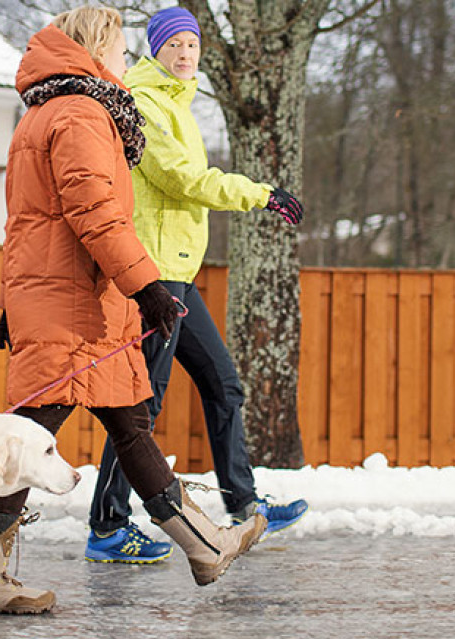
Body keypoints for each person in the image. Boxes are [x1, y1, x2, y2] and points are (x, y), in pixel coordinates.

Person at [0, 6, 267, 615]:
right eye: (123, 49)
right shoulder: (80, 113)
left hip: (67, 300)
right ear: (97, 48)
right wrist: (149, 287)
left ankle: (205, 546)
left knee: (130, 425)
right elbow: (96, 216)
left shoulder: (45, 112)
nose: (127, 61)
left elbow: (23, 226)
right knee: (27, 442)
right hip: (71, 305)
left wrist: (12, 302)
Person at [83, 6, 308, 566]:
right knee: (142, 407)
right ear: (154, 50)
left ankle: (243, 501)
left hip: (180, 272)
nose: (186, 54)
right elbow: (182, 179)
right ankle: (106, 526)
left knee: (224, 386)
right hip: (154, 276)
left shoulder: (180, 103)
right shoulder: (145, 102)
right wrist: (259, 194)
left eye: (193, 45)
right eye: (175, 44)